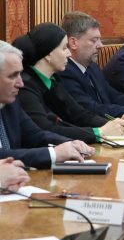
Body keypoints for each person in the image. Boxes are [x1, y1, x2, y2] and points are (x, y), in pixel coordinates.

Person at [13, 23, 124, 144]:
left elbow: (78, 114)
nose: (69, 54)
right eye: (64, 48)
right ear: (48, 54)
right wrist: (99, 133)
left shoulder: (53, 79)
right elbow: (47, 130)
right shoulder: (25, 86)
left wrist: (115, 124)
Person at [0, 40, 94, 169]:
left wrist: (70, 144)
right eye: (13, 76)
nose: (20, 84)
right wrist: (53, 154)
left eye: (20, 74)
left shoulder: (10, 102)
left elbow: (34, 135)